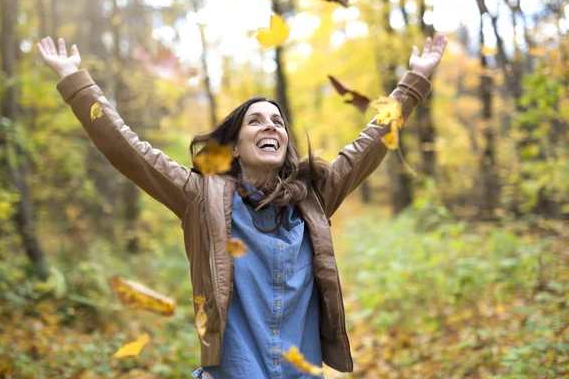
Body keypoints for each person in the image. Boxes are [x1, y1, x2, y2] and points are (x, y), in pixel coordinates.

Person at [37, 33, 447, 379]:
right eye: (256, 120)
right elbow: (129, 150)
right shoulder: (200, 197)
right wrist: (76, 81)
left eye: (278, 121)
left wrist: (415, 80)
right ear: (234, 146)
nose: (271, 125)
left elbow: (368, 145)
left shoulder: (313, 199)